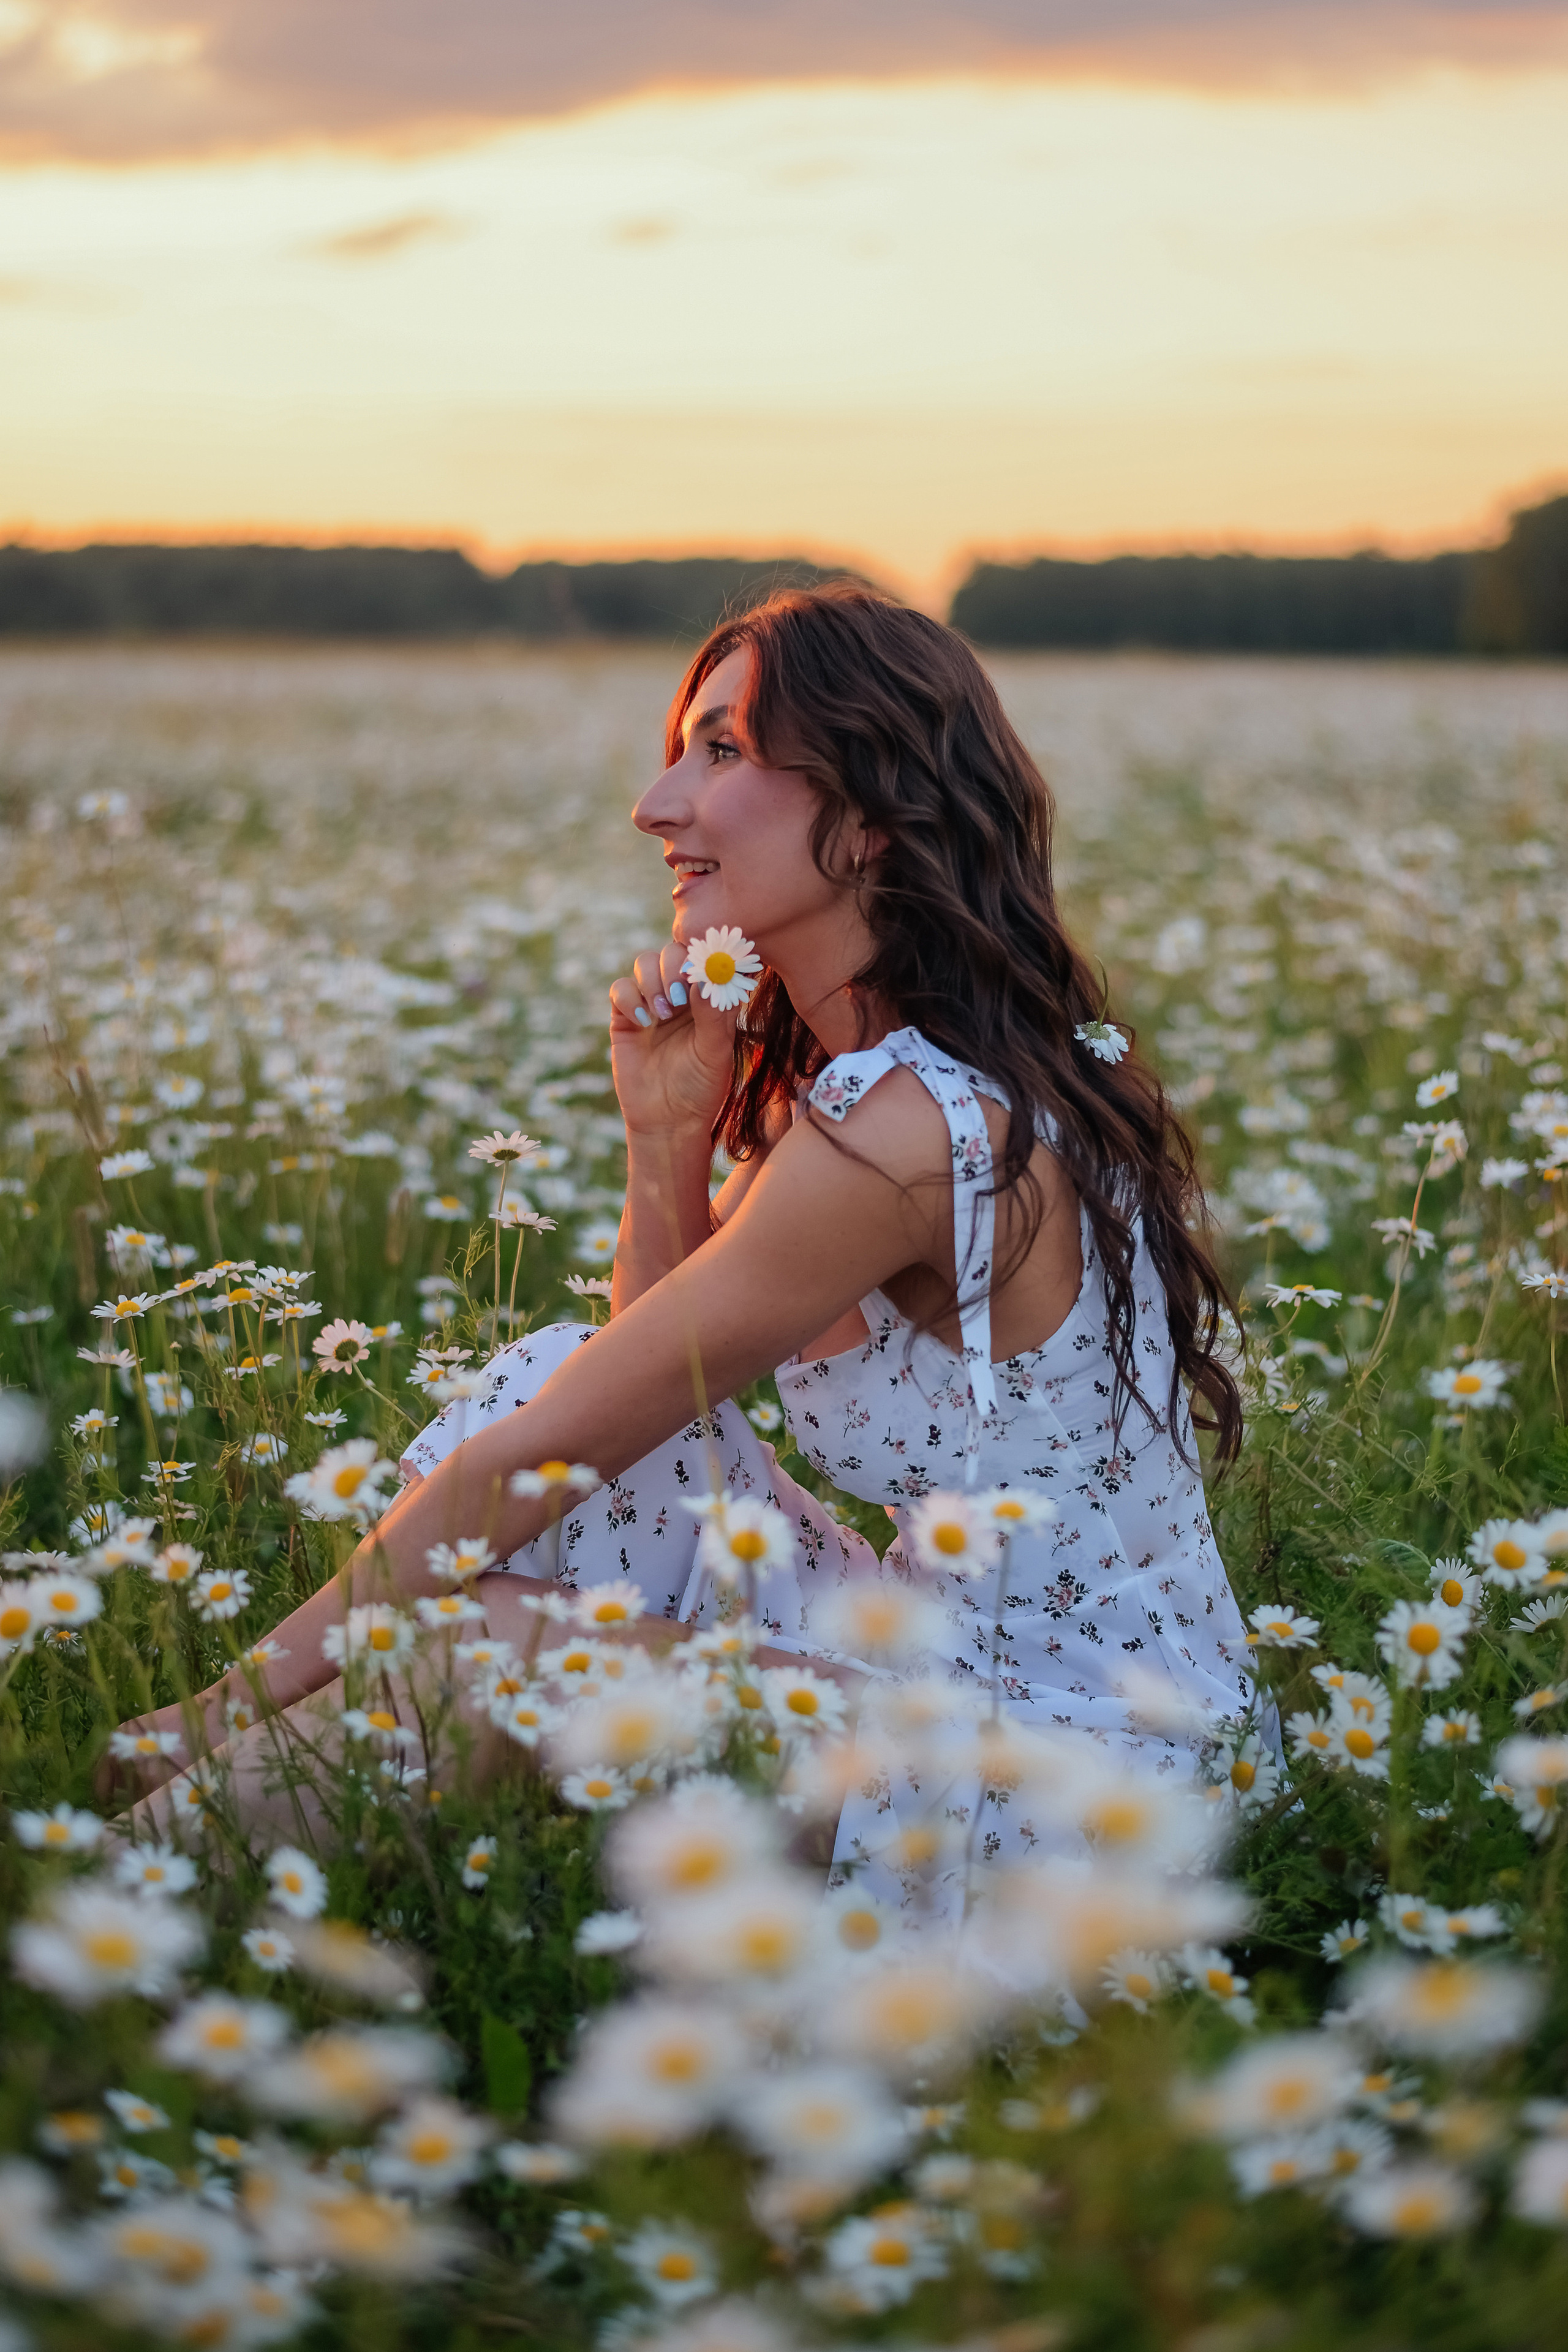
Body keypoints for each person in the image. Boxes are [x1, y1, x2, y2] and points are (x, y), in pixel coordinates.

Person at [113, 584, 1256, 1860]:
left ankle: (124, 1888)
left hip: (1085, 1772)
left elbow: (540, 1461)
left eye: (719, 751)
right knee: (551, 1435)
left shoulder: (901, 1137)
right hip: (935, 1656)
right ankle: (163, 1874)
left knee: (485, 1642)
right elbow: (655, 1402)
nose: (654, 805)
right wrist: (666, 1137)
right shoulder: (862, 1103)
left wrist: (205, 1715)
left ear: (872, 820)